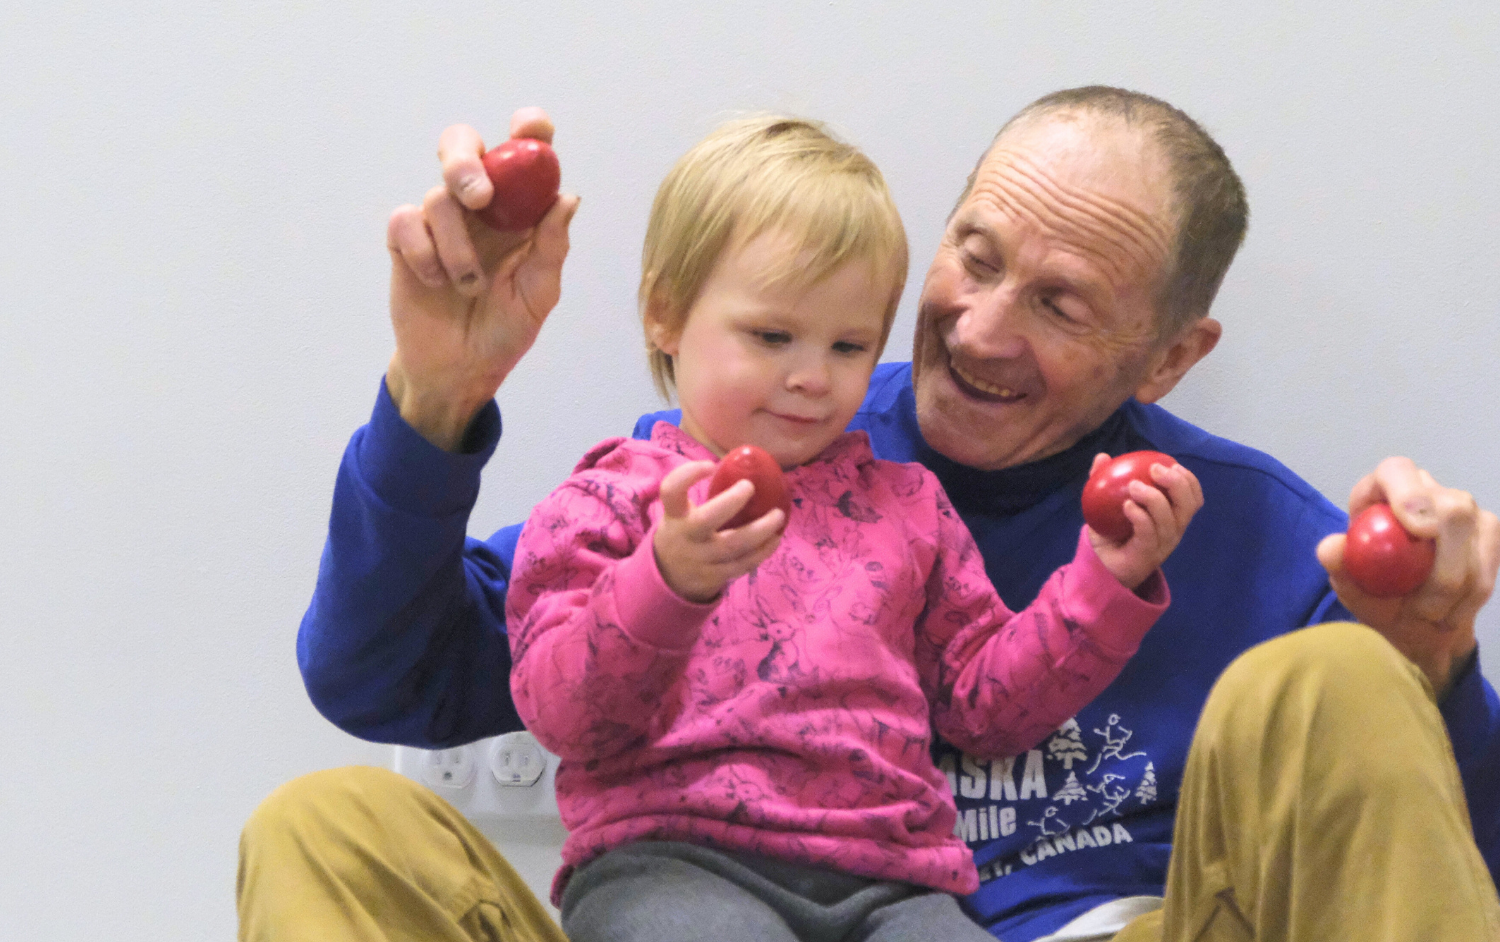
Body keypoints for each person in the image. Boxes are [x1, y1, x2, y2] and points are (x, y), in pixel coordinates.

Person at [238, 89, 1500, 942]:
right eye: (978, 256)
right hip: (690, 885)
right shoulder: (712, 479)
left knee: (1343, 670)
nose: (982, 327)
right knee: (327, 830)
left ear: (1170, 357)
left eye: (1061, 304)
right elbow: (379, 670)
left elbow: (1451, 873)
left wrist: (1435, 670)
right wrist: (438, 395)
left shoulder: (1253, 538)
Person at [504, 116, 1201, 942]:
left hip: (893, 884)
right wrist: (668, 579)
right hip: (673, 863)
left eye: (848, 345)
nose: (810, 377)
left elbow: (987, 708)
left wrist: (1104, 584)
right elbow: (563, 715)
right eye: (771, 336)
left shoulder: (909, 507)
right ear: (666, 313)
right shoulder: (604, 502)